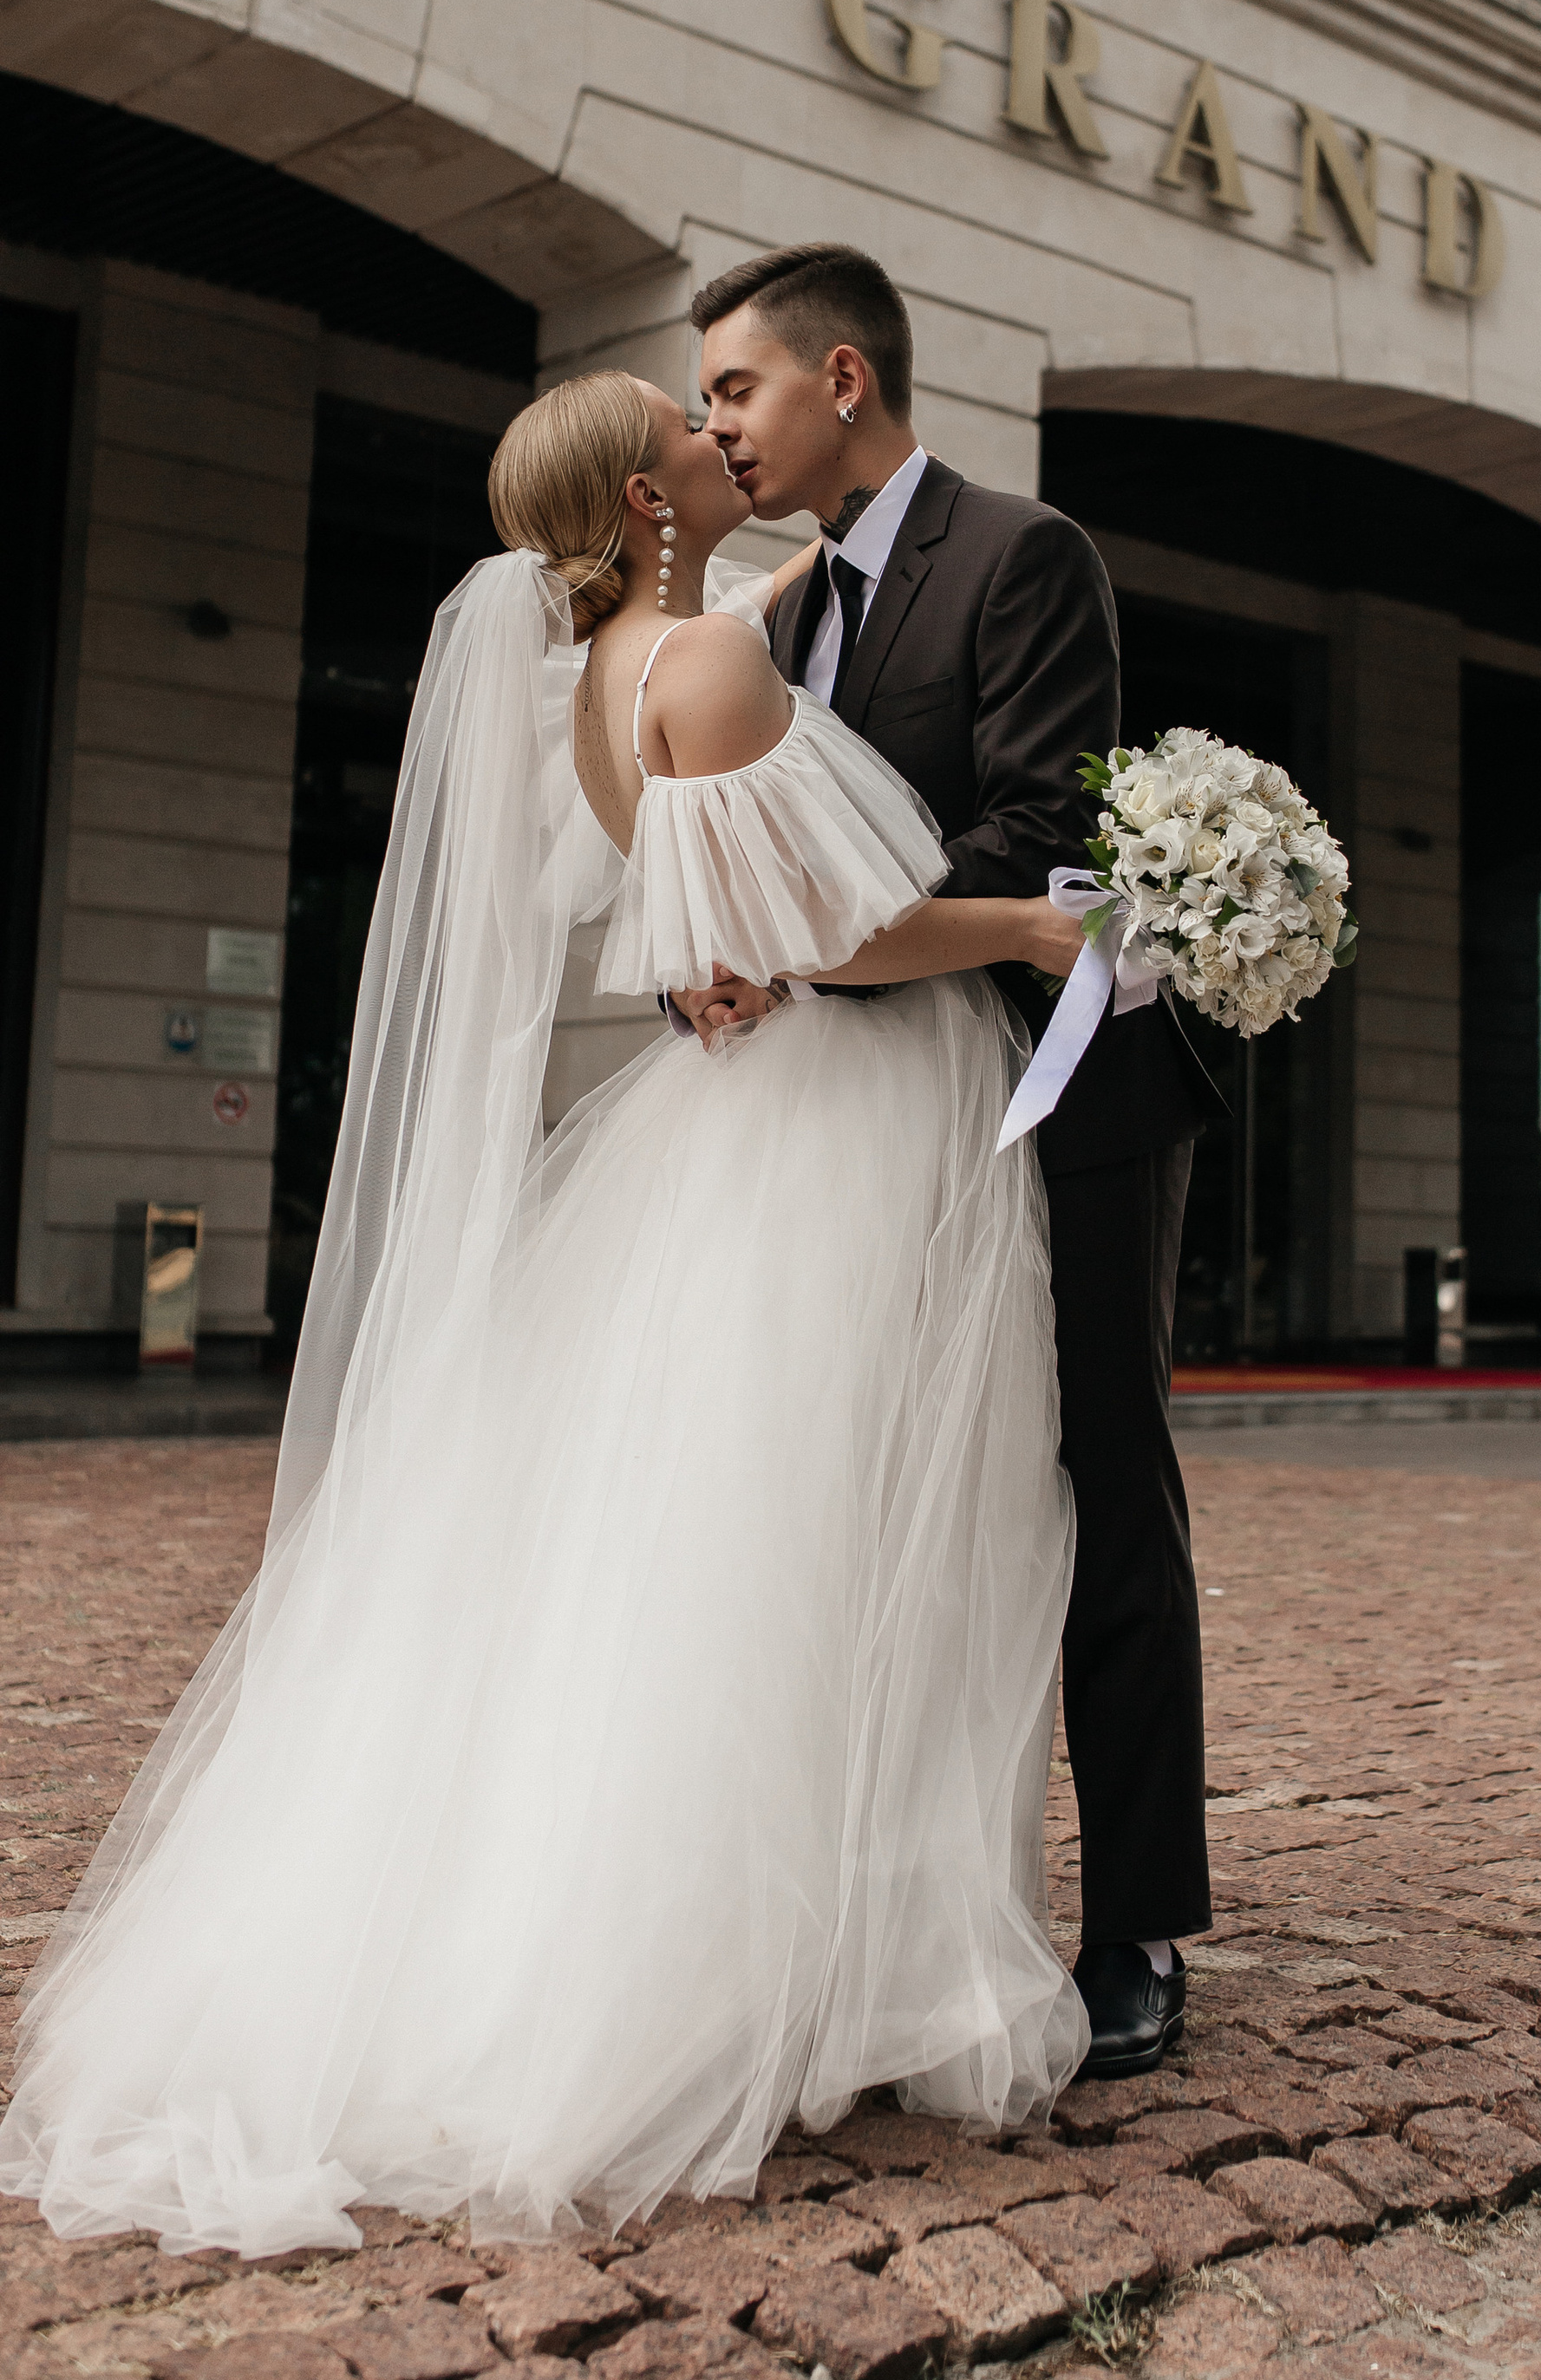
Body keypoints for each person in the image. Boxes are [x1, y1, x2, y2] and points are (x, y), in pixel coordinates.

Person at [0, 372, 1094, 2257]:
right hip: (823, 1139)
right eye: (684, 417)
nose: (711, 425)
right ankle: (783, 1978)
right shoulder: (713, 669)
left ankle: (819, 1957)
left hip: (722, 1137)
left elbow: (697, 914)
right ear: (639, 489)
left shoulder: (605, 673)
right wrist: (1018, 931)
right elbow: (819, 939)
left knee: (715, 1547)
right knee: (821, 1549)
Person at [683, 243, 1224, 2078]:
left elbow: (1036, 814)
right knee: (902, 1494)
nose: (714, 429)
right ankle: (907, 1908)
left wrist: (799, 934)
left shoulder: (1018, 554)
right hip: (877, 1116)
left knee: (1098, 1478)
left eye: (734, 391)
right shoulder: (775, 607)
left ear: (843, 380)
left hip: (1062, 1095)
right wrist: (721, 956)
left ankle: (1139, 1917)